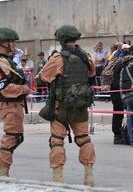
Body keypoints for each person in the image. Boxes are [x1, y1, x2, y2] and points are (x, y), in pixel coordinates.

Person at [39, 25, 96, 185]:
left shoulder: (57, 59)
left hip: (61, 107)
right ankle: (89, 177)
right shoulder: (87, 57)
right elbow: (91, 74)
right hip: (80, 106)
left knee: (57, 140)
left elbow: (43, 77)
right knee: (84, 139)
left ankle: (58, 179)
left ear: (62, 40)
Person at [0, 28, 29, 176]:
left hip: (14, 105)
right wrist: (25, 89)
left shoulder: (8, 62)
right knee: (11, 138)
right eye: (10, 41)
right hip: (8, 105)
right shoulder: (1, 62)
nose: (13, 44)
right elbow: (5, 88)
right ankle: (3, 174)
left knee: (15, 138)